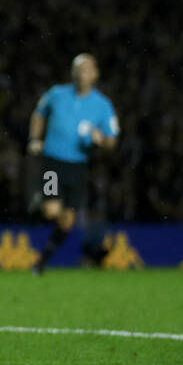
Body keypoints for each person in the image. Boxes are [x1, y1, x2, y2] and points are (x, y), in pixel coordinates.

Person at [28, 53, 119, 275]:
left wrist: (101, 139)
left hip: (78, 166)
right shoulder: (56, 94)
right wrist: (35, 139)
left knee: (67, 222)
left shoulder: (102, 105)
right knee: (52, 212)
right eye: (78, 68)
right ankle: (41, 200)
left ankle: (41, 263)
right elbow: (39, 114)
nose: (81, 73)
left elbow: (112, 140)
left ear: (95, 74)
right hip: (54, 162)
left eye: (86, 69)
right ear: (72, 73)